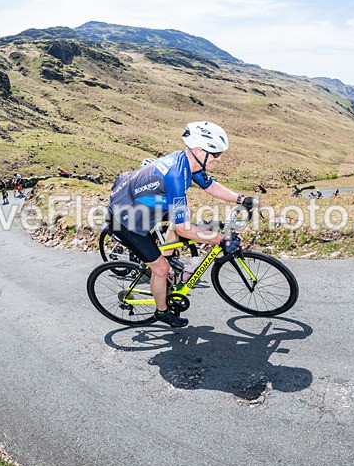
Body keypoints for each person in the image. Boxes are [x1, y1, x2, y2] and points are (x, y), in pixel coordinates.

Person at [108, 121, 256, 328]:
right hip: (126, 220)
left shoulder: (190, 162)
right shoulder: (176, 175)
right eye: (215, 154)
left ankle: (167, 256)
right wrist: (221, 239)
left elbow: (210, 185)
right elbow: (182, 228)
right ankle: (162, 312)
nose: (219, 159)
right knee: (161, 268)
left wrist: (240, 199)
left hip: (143, 202)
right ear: (198, 150)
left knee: (185, 214)